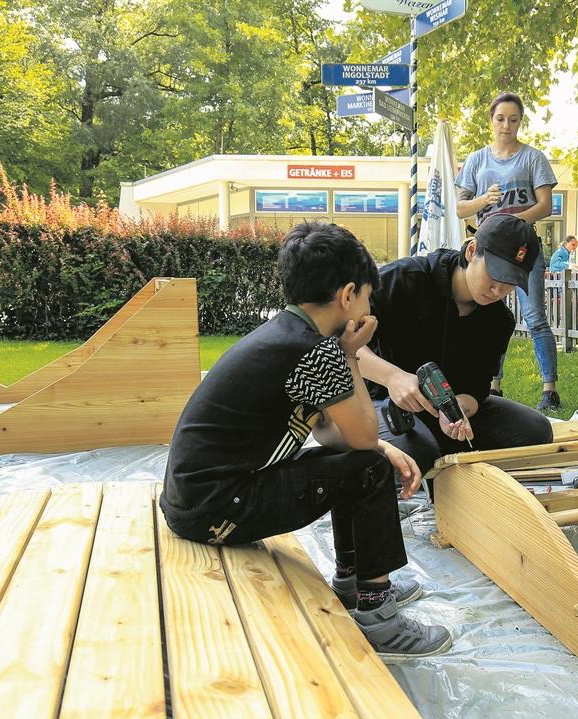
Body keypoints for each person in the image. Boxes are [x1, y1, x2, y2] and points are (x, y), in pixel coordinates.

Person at [159, 222, 452, 660]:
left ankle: (354, 584)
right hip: (215, 510)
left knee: (362, 462)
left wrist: (383, 447)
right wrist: (353, 356)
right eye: (369, 296)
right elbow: (363, 437)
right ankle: (379, 618)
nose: (371, 306)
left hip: (201, 502)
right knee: (368, 468)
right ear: (347, 295)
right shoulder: (316, 351)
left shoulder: (292, 336)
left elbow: (332, 434)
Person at [356, 213, 555, 478]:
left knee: (536, 431)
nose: (497, 290)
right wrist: (392, 377)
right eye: (494, 275)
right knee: (418, 453)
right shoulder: (405, 278)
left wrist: (460, 408)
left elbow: (477, 386)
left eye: (509, 283)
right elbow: (345, 343)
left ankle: (444, 447)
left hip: (443, 411)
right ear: (472, 251)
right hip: (385, 403)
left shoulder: (498, 320)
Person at [456, 91, 561, 411]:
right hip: (488, 250)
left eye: (513, 119)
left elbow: (545, 205)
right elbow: (460, 208)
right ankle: (491, 385)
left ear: (520, 122)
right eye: (501, 119)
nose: (506, 125)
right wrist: (483, 202)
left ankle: (549, 389)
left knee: (534, 316)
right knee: (488, 313)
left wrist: (510, 222)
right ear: (491, 120)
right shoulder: (476, 160)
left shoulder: (533, 158)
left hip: (524, 248)